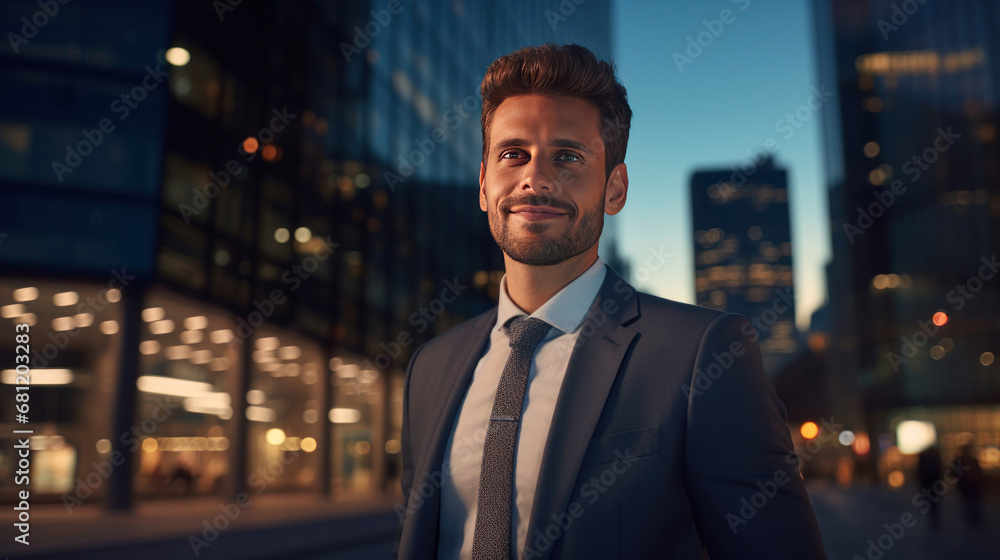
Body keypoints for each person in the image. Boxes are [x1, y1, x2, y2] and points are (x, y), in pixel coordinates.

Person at [395, 43, 826, 560]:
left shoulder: (705, 353)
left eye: (569, 156)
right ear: (485, 184)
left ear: (615, 189)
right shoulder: (431, 367)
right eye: (513, 154)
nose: (535, 178)